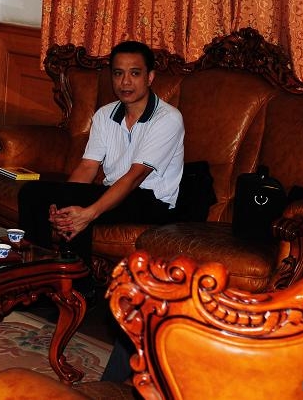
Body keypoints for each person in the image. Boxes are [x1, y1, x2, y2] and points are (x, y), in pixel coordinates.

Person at [17, 40, 184, 384]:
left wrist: (89, 212)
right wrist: (61, 204)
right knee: (33, 192)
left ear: (150, 77)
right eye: (119, 74)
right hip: (113, 192)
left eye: (134, 74)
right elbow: (88, 167)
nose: (125, 82)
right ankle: (46, 283)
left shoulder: (168, 119)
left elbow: (134, 177)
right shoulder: (106, 114)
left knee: (83, 207)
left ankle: (79, 290)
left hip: (152, 202)